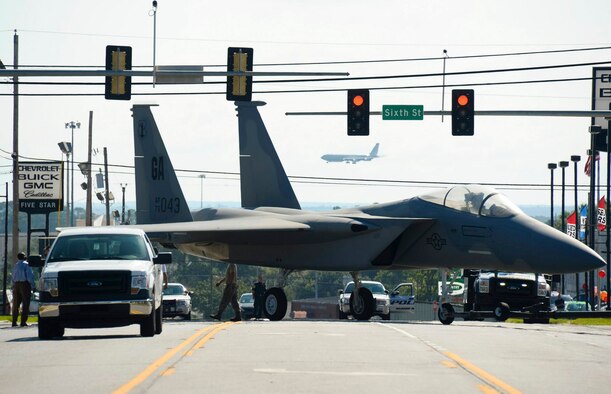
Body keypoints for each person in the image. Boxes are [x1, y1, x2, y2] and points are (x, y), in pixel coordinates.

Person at [11, 252, 36, 327]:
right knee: (25, 303)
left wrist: (13, 285)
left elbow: (13, 276)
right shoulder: (26, 264)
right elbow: (29, 276)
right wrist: (33, 286)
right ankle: (23, 321)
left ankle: (14, 321)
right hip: (24, 284)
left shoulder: (15, 265)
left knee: (16, 304)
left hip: (16, 284)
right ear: (24, 257)